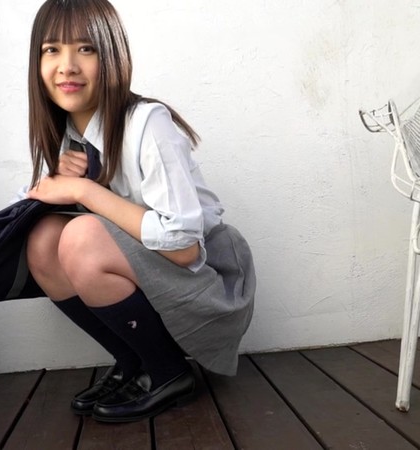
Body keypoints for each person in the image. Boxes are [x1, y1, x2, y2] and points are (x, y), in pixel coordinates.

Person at [14, 0, 256, 423]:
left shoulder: (148, 123)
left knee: (81, 237)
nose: (67, 66)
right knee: (42, 240)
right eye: (52, 49)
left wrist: (84, 190)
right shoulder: (69, 135)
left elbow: (184, 248)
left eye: (85, 48)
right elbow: (35, 204)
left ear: (112, 55)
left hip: (208, 284)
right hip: (161, 276)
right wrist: (60, 181)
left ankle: (168, 372)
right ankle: (133, 362)